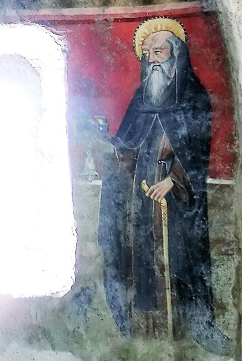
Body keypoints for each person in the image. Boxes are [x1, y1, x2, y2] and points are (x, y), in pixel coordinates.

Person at [98, 18, 231, 355]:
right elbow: (127, 145)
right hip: (142, 194)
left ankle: (190, 330)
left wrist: (173, 180)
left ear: (176, 53)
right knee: (141, 258)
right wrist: (107, 146)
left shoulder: (193, 95)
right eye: (147, 53)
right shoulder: (142, 97)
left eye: (158, 51)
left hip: (177, 199)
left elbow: (197, 150)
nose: (152, 59)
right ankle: (144, 330)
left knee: (180, 259)